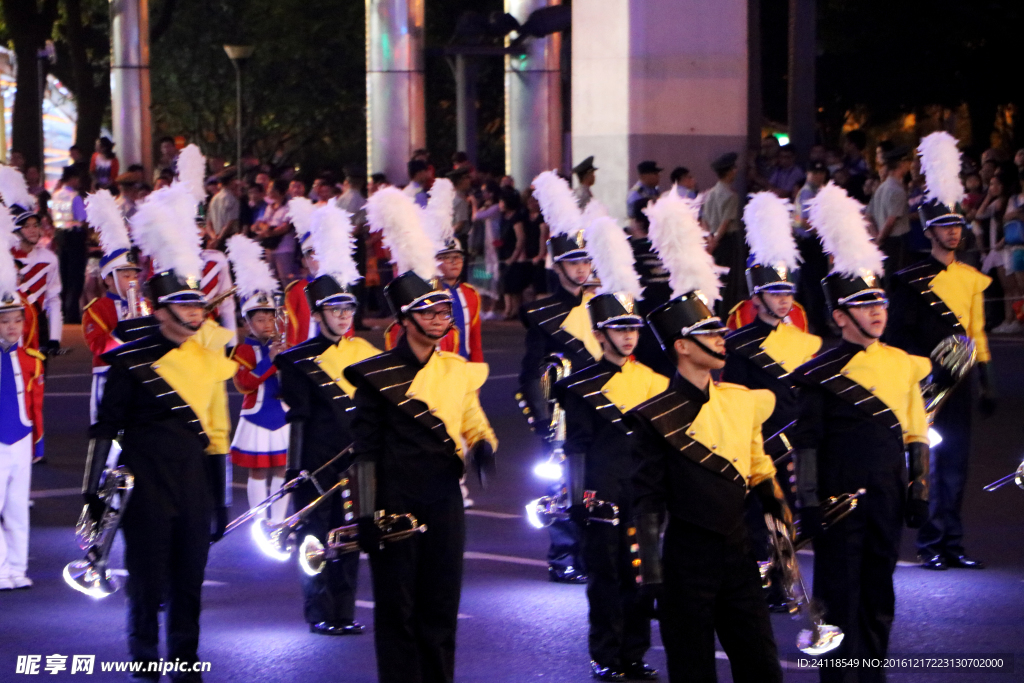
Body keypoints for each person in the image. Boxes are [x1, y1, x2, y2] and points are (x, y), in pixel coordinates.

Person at [629, 188, 788, 683]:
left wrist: (774, 499)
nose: (722, 341)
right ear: (682, 346)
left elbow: (756, 462)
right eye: (710, 335)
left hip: (738, 554)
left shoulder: (740, 398)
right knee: (693, 672)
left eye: (721, 332)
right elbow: (648, 504)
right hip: (683, 562)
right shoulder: (653, 414)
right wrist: (651, 576)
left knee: (761, 667)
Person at [83, 175, 235, 682]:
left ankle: (185, 664)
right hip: (144, 485)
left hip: (192, 484)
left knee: (190, 584)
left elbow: (215, 434)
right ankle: (146, 662)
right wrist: (91, 494)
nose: (196, 313)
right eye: (187, 306)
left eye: (199, 306)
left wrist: (219, 499)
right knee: (146, 585)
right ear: (164, 308)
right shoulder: (129, 360)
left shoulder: (210, 360)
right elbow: (105, 429)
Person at [349, 185, 497, 683]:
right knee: (398, 613)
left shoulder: (456, 369)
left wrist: (481, 445)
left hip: (443, 499)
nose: (440, 319)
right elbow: (365, 452)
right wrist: (365, 513)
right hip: (394, 500)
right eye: (430, 313)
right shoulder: (375, 375)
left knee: (440, 608)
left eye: (443, 313)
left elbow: (472, 419)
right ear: (405, 318)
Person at [790, 182, 930, 682]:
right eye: (865, 305)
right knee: (837, 602)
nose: (877, 312)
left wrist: (919, 488)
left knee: (878, 596)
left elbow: (916, 430)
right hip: (837, 501)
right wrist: (807, 501)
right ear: (839, 315)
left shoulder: (902, 364)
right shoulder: (818, 370)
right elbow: (805, 441)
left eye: (881, 303)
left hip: (887, 498)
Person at [557, 214, 668, 681]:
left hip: (642, 496)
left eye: (633, 328)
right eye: (617, 329)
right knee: (606, 581)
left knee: (643, 580)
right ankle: (606, 654)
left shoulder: (656, 382)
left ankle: (635, 653)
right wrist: (581, 501)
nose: (627, 336)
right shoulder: (580, 385)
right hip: (601, 496)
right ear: (600, 334)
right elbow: (576, 449)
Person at [887, 132, 993, 571]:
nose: (954, 232)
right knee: (928, 460)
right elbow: (898, 333)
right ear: (928, 230)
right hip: (926, 382)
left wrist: (985, 380)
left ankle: (954, 542)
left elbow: (978, 331)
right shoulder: (910, 276)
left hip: (962, 378)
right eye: (945, 226)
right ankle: (930, 543)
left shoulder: (970, 277)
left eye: (957, 225)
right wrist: (921, 373)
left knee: (957, 464)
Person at [275, 203, 380, 636]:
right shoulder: (296, 361)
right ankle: (319, 610)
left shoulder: (368, 355)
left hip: (360, 463)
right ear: (317, 314)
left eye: (347, 309)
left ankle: (344, 610)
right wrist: (295, 472)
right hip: (316, 464)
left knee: (353, 535)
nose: (342, 316)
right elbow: (299, 419)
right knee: (315, 538)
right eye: (333, 310)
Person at [723, 191, 822, 608]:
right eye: (774, 291)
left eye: (787, 291)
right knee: (756, 516)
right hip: (758, 443)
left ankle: (783, 582)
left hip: (796, 441)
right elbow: (738, 398)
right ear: (757, 294)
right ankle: (754, 581)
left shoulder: (804, 340)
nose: (784, 299)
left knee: (790, 515)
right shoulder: (739, 342)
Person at [518, 171, 603, 584]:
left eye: (586, 260)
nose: (582, 268)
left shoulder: (604, 306)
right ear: (559, 265)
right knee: (566, 486)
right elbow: (532, 371)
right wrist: (542, 420)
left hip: (602, 406)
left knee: (600, 486)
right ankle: (563, 555)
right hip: (565, 411)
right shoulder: (543, 311)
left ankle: (593, 554)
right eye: (574, 261)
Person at [225, 236, 290, 525]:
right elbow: (243, 384)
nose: (267, 324)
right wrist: (269, 361)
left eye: (270, 317)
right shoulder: (242, 350)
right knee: (258, 470)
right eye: (260, 319)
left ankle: (278, 520)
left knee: (283, 469)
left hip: (283, 414)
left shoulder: (285, 345)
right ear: (248, 322)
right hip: (256, 415)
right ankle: (258, 518)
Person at [0, 244, 45, 591]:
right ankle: (1, 568)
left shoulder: (32, 358)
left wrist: (37, 441)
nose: (13, 326)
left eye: (17, 320)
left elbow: (35, 403)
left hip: (22, 439)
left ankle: (17, 567)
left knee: (18, 509)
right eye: (5, 320)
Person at [81, 189, 145, 424]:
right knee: (108, 431)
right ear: (108, 278)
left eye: (134, 275)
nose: (132, 280)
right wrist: (127, 329)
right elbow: (98, 345)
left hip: (140, 374)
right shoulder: (96, 309)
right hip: (108, 375)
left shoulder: (143, 304)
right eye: (125, 274)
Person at [0, 168, 62, 354]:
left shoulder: (49, 259)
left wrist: (54, 338)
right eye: (26, 226)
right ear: (15, 231)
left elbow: (53, 299)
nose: (33, 230)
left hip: (38, 328)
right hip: (9, 329)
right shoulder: (4, 258)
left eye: (35, 225)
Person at [703, 152, 745, 315]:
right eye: (734, 169)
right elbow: (726, 222)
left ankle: (714, 313)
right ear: (729, 172)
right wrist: (717, 240)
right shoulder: (731, 195)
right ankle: (726, 315)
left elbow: (705, 220)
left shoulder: (710, 193)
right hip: (726, 241)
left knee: (716, 278)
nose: (736, 171)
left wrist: (709, 240)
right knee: (729, 281)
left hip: (712, 240)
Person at [867, 146, 913, 281]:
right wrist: (880, 239)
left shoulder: (881, 187)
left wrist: (875, 236)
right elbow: (891, 221)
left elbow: (868, 216)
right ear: (902, 164)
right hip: (896, 242)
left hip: (883, 241)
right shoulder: (897, 190)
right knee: (896, 279)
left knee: (885, 278)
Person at [50, 167, 89, 324]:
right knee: (76, 277)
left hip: (60, 237)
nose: (78, 182)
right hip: (75, 237)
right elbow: (82, 217)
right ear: (71, 178)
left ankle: (62, 312)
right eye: (77, 178)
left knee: (64, 276)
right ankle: (72, 314)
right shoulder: (75, 197)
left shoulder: (55, 195)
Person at [253, 179, 297, 286]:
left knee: (285, 278)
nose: (268, 190)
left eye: (270, 188)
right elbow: (262, 222)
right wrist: (265, 228)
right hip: (270, 247)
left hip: (284, 247)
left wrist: (270, 232)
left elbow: (286, 227)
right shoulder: (270, 206)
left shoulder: (289, 206)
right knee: (271, 277)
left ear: (277, 191)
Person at [498, 187, 529, 319]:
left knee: (514, 285)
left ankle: (515, 310)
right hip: (505, 255)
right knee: (506, 284)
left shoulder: (517, 218)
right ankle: (508, 308)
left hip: (514, 257)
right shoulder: (505, 217)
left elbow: (521, 238)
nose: (499, 204)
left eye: (501, 201)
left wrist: (513, 256)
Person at [205, 171, 240, 251]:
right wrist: (219, 239)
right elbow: (230, 223)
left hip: (216, 236)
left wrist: (214, 237)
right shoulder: (232, 199)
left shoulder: (214, 199)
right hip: (228, 238)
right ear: (231, 182)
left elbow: (208, 223)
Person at [626, 161, 661, 233]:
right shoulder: (635, 194)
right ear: (643, 176)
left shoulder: (654, 190)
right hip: (642, 232)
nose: (658, 176)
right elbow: (634, 217)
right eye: (655, 174)